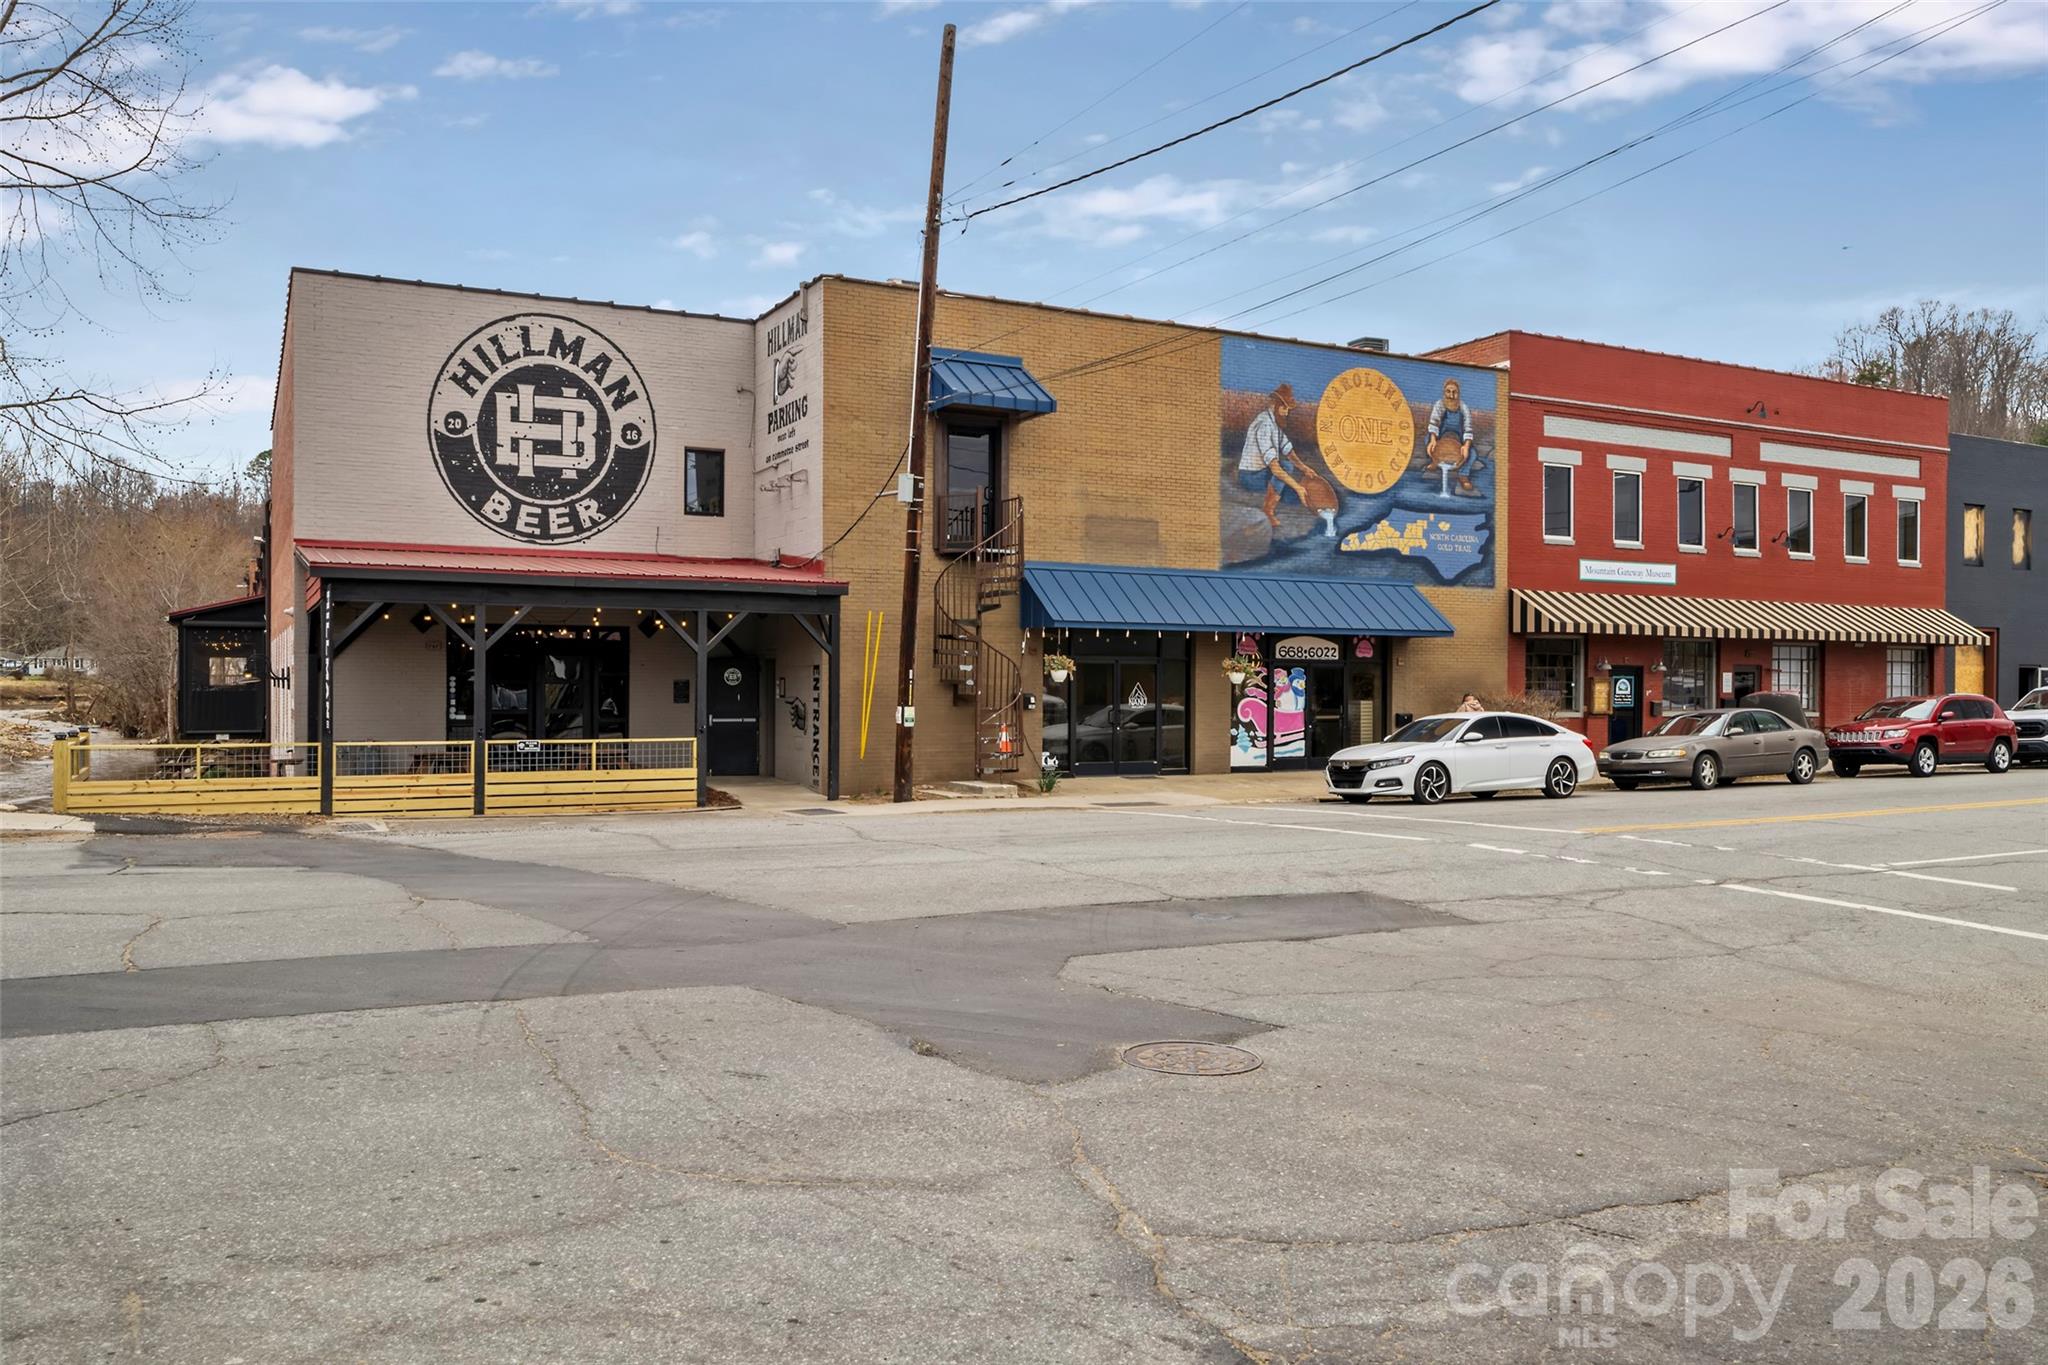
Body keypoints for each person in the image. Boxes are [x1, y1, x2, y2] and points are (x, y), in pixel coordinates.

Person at [1238, 383, 1311, 529]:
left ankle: (1282, 496)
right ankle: (1268, 511)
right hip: (1250, 476)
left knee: (1294, 499)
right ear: (1276, 406)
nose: (1286, 413)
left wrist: (1306, 469)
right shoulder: (1264, 425)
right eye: (1284, 408)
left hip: (1264, 474)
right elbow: (1276, 468)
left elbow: (1288, 450)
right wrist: (1298, 487)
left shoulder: (1274, 424)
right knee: (1286, 467)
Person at [1424, 378, 1482, 498]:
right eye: (1448, 392)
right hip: (1442, 436)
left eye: (1454, 392)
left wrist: (1465, 446)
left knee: (1472, 453)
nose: (1451, 395)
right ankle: (1435, 462)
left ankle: (1463, 475)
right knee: (1428, 440)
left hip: (1458, 439)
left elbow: (1468, 428)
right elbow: (1434, 423)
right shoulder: (1439, 405)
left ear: (1458, 393)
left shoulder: (1463, 408)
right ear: (1444, 393)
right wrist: (1433, 440)